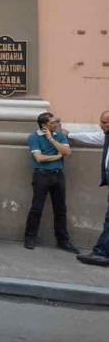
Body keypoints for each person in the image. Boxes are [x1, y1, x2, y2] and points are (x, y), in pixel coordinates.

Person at [23, 112, 79, 253]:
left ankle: (63, 240)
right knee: (36, 208)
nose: (57, 124)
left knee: (60, 209)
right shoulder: (33, 137)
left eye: (56, 122)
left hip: (58, 176)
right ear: (44, 125)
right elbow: (39, 158)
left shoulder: (59, 136)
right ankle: (30, 238)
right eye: (53, 122)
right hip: (41, 176)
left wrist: (52, 140)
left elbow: (67, 152)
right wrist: (57, 156)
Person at [68, 111, 109, 266]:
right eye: (101, 121)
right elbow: (93, 137)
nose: (101, 125)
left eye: (105, 122)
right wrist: (70, 134)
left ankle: (101, 253)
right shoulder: (106, 136)